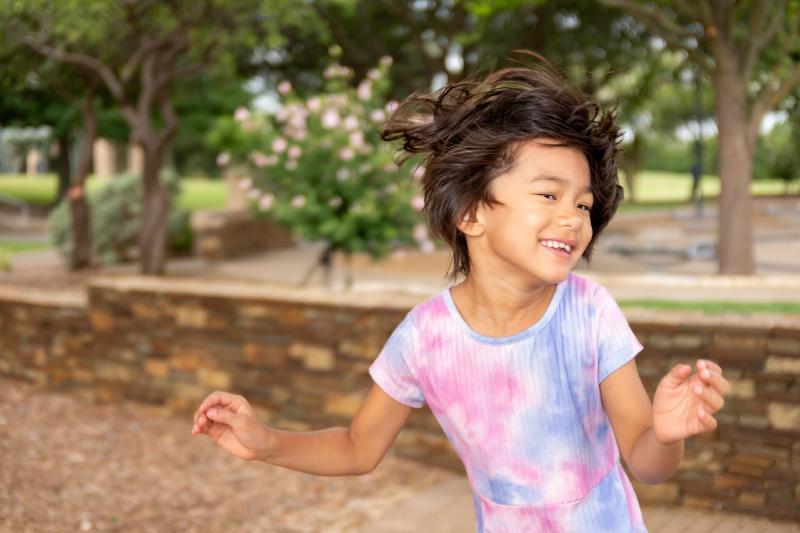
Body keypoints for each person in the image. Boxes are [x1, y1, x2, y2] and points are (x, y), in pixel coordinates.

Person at [191, 55, 730, 532]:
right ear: (470, 213)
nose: (572, 217)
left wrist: (665, 434)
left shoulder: (590, 312)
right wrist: (266, 443)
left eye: (584, 204)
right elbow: (358, 447)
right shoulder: (425, 338)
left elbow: (648, 463)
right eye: (549, 194)